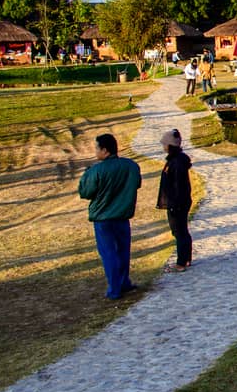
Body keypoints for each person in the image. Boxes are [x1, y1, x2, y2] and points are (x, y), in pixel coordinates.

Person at [77, 132, 142, 300]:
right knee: (123, 251)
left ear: (104, 150)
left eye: (96, 148)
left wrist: (85, 176)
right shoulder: (131, 166)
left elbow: (85, 192)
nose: (95, 152)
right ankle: (124, 282)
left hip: (103, 219)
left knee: (109, 253)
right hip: (123, 216)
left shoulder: (96, 170)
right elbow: (137, 184)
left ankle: (114, 289)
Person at [157, 128, 193, 272]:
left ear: (170, 145)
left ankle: (181, 262)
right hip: (180, 202)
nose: (163, 146)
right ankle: (186, 258)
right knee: (183, 230)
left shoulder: (176, 163)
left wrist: (175, 203)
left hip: (177, 203)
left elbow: (178, 185)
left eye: (164, 144)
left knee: (179, 232)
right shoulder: (177, 160)